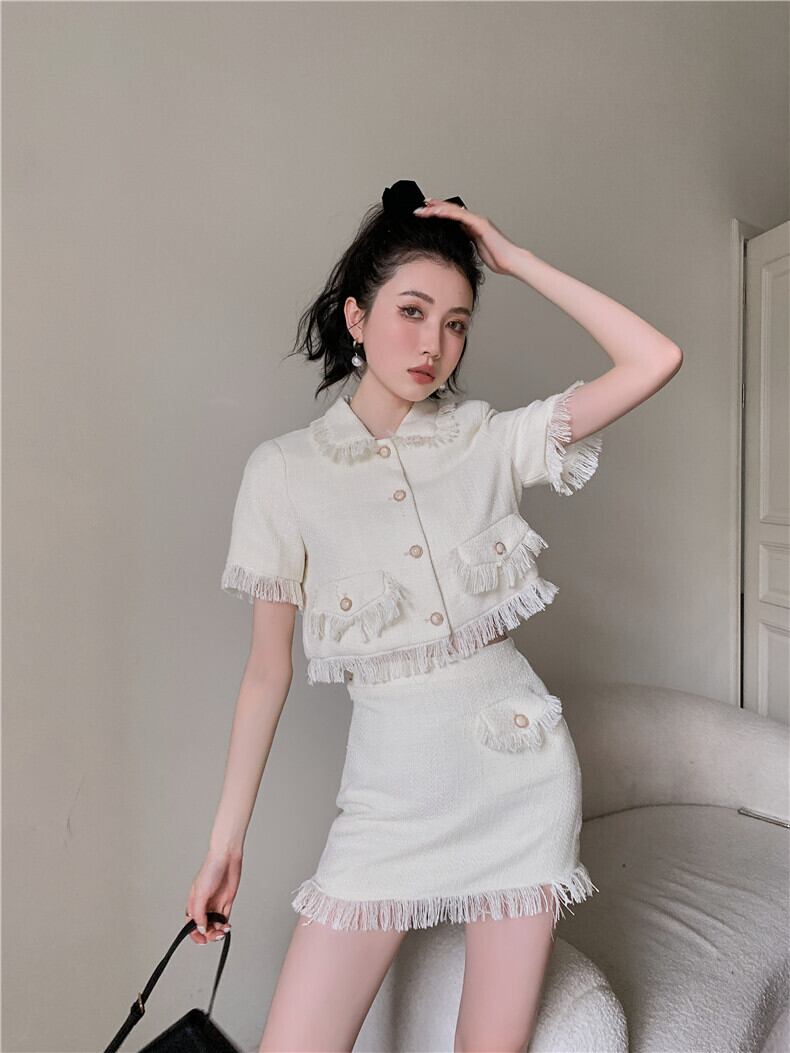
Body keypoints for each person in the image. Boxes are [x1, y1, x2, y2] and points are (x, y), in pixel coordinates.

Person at [185, 180, 683, 1052]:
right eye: (411, 312)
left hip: (518, 779)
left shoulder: (487, 439)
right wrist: (226, 843)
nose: (433, 344)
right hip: (388, 800)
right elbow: (267, 672)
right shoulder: (284, 474)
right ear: (356, 316)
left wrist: (515, 260)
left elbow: (655, 358)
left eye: (456, 323)